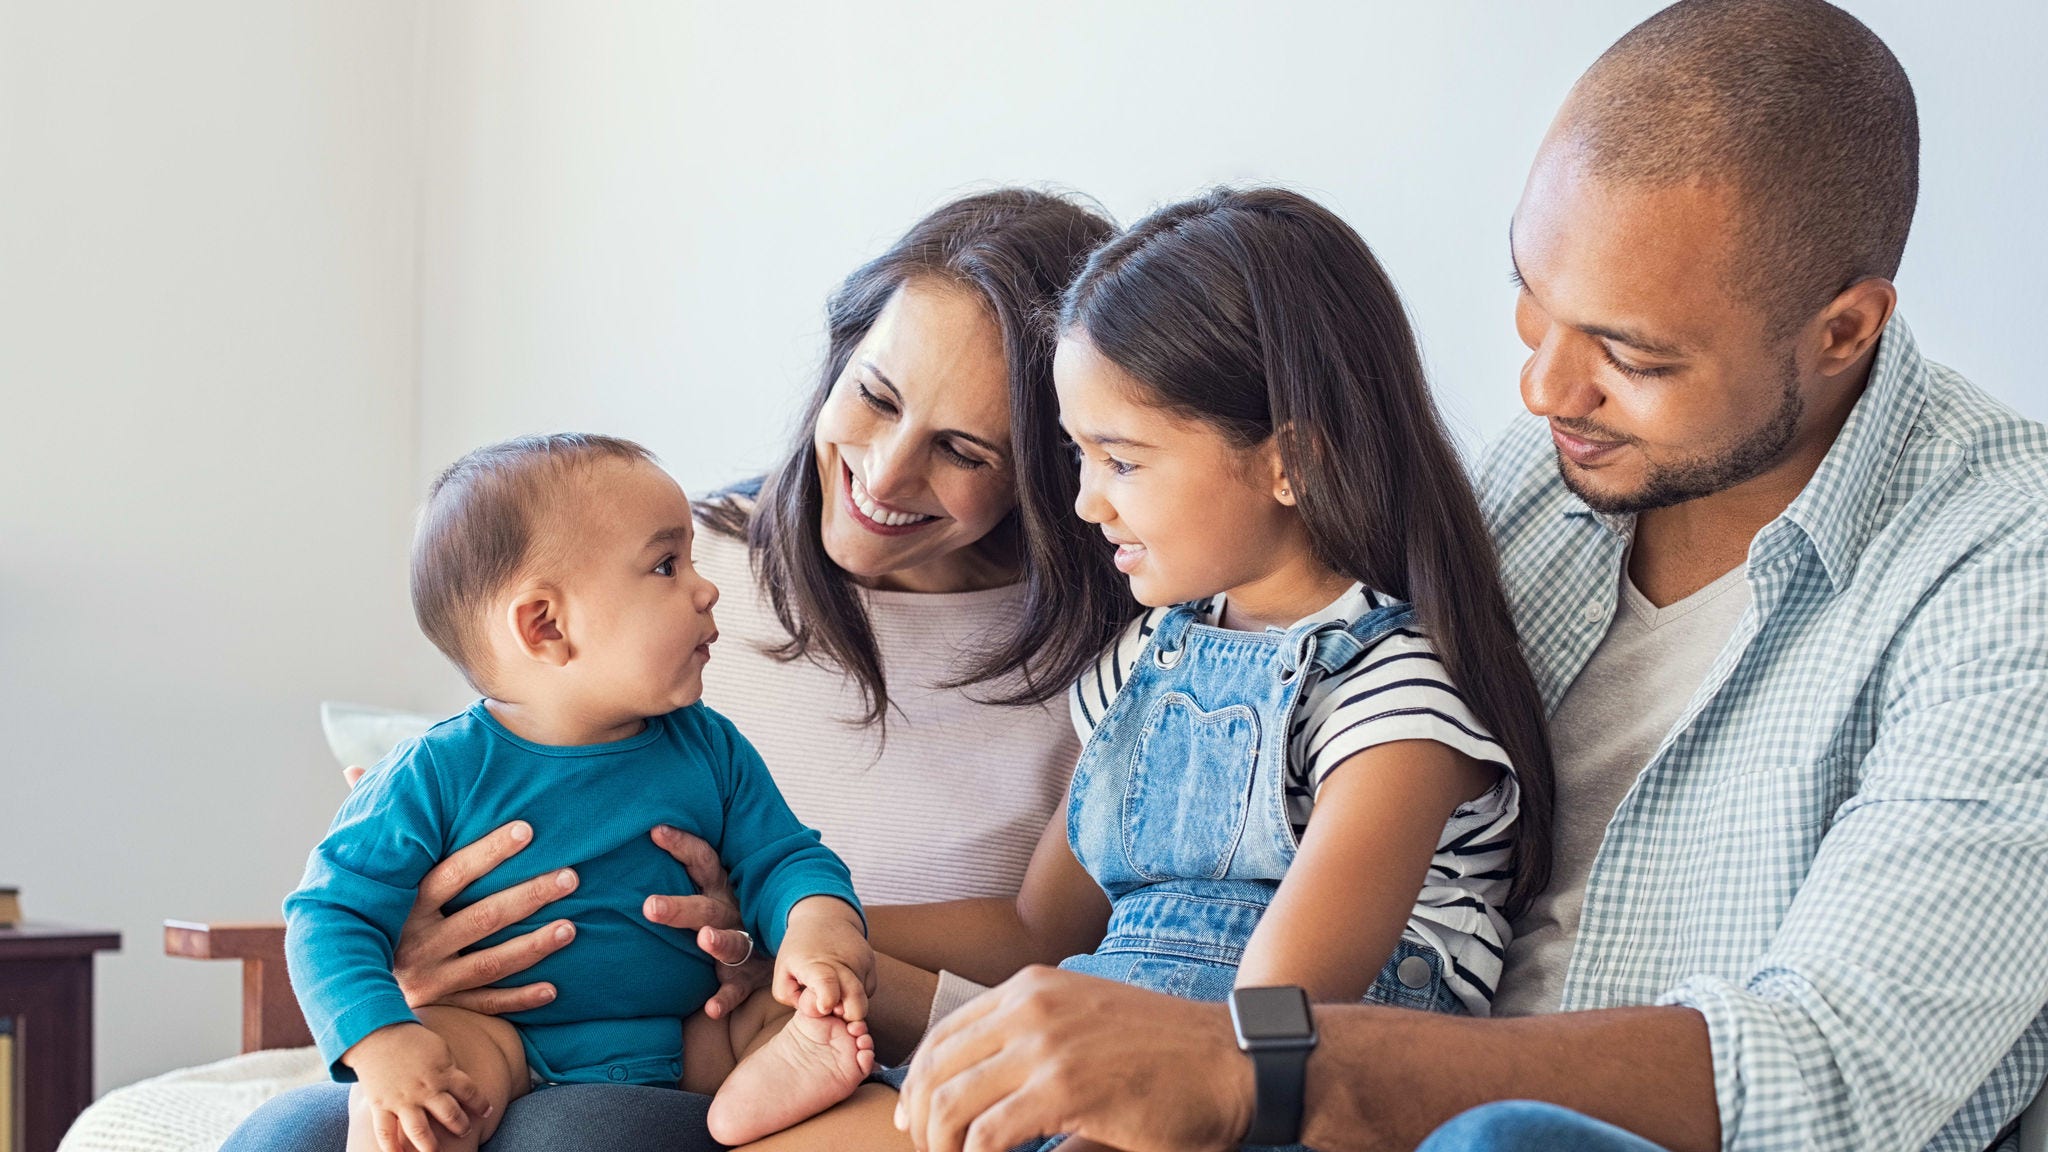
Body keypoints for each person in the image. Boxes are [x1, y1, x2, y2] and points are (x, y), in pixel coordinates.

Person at [888, 3, 2048, 1151]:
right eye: (1529, 306)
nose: (1545, 390)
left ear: (1841, 330)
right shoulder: (1548, 475)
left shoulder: (2004, 566)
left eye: (1629, 355)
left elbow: (1830, 1070)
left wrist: (1255, 1064)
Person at [221, 190, 1132, 1152]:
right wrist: (402, 968)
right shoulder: (654, 564)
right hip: (514, 1026)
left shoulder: (1113, 665)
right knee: (286, 1135)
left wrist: (789, 934)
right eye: (874, 395)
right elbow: (500, 773)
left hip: (766, 1041)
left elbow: (1048, 950)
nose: (885, 475)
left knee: (578, 1136)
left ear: (1050, 461)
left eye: (962, 449)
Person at [738, 186, 1560, 1152]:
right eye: (1076, 455)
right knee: (759, 1069)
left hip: (1257, 1091)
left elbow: (1267, 1031)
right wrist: (816, 930)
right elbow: (1036, 932)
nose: (1083, 505)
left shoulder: (1394, 701)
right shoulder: (1147, 660)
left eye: (1120, 462)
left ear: (1290, 463)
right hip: (1109, 1040)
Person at [285, 434, 881, 1152]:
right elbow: (327, 915)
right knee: (420, 1100)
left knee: (784, 1016)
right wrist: (382, 1046)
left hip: (691, 1031)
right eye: (667, 565)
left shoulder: (710, 747)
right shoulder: (436, 772)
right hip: (502, 1040)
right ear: (546, 626)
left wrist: (818, 931)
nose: (706, 587)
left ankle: (759, 1091)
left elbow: (785, 858)